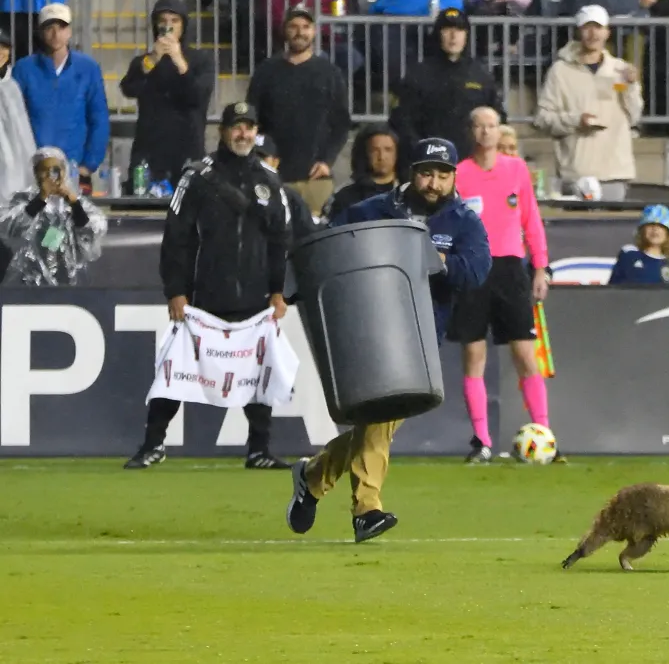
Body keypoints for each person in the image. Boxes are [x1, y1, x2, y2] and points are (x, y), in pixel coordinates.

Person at [285, 137, 491, 543]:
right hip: (371, 329)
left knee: (376, 423)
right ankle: (367, 510)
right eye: (426, 173)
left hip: (422, 337)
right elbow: (329, 247)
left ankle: (312, 477)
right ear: (412, 174)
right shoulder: (375, 210)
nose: (433, 183)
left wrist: (440, 261)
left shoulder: (464, 221)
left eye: (442, 175)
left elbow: (478, 271)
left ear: (453, 177)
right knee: (380, 416)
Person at [123, 102, 292, 472]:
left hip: (255, 296)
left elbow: (281, 239)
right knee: (175, 370)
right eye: (237, 127)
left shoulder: (269, 179)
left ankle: (259, 450)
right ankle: (152, 444)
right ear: (222, 131)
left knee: (257, 372)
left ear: (256, 132)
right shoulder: (197, 176)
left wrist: (278, 291)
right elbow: (176, 239)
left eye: (249, 128)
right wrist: (176, 291)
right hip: (203, 296)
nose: (243, 134)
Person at [453, 106, 552, 464]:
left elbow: (532, 219)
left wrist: (540, 267)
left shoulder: (516, 169)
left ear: (499, 131)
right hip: (474, 268)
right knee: (474, 355)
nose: (485, 132)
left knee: (526, 354)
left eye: (492, 126)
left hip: (511, 268)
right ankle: (481, 440)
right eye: (479, 126)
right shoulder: (459, 174)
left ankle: (545, 434)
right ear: (471, 131)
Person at [246, 5, 352, 216]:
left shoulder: (330, 73)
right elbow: (252, 120)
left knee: (314, 240)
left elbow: (341, 124)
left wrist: (327, 161)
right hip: (273, 176)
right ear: (284, 30)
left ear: (314, 31)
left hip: (314, 178)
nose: (299, 32)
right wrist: (264, 155)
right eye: (293, 26)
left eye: (305, 26)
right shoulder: (266, 71)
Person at [533, 5, 643, 201]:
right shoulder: (559, 71)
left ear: (607, 32)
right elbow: (542, 118)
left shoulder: (621, 70)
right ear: (578, 31)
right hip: (576, 173)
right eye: (587, 27)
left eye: (598, 27)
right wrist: (576, 121)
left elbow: (634, 115)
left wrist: (632, 86)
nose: (593, 34)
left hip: (614, 172)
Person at [389, 8, 506, 168]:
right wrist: (421, 151)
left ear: (466, 35)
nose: (453, 36)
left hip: (472, 164)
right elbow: (401, 121)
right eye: (447, 29)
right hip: (428, 163)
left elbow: (498, 116)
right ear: (438, 33)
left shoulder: (481, 74)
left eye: (459, 30)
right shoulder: (417, 73)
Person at [12, 4, 109, 194]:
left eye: (62, 27)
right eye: (49, 27)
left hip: (74, 170)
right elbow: (14, 121)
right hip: (33, 171)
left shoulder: (88, 68)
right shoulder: (24, 69)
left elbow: (99, 118)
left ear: (70, 31)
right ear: (40, 32)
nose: (56, 34)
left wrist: (88, 166)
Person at [119, 0, 215, 187]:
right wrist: (153, 59)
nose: (167, 26)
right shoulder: (145, 61)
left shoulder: (201, 60)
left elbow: (197, 96)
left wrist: (180, 62)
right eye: (162, 21)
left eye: (174, 21)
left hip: (188, 150)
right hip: (150, 152)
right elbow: (129, 88)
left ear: (184, 25)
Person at [0, 146, 107, 286]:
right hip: (28, 282)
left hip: (70, 283)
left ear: (64, 171)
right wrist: (41, 199)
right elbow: (9, 229)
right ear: (35, 173)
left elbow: (92, 236)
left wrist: (74, 204)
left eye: (56, 170)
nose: (51, 176)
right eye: (44, 170)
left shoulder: (77, 203)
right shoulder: (22, 200)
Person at [322, 124, 400, 222]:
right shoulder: (344, 198)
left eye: (388, 150)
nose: (382, 157)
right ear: (364, 153)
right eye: (374, 150)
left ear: (397, 153)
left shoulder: (407, 193)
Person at [0, 27, 36, 201]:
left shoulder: (12, 86)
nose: (0, 52)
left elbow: (23, 135)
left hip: (15, 176)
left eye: (4, 47)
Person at [608, 204, 669, 285]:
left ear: (668, 233)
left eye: (661, 226)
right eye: (651, 224)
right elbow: (612, 287)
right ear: (642, 230)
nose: (655, 229)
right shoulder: (628, 253)